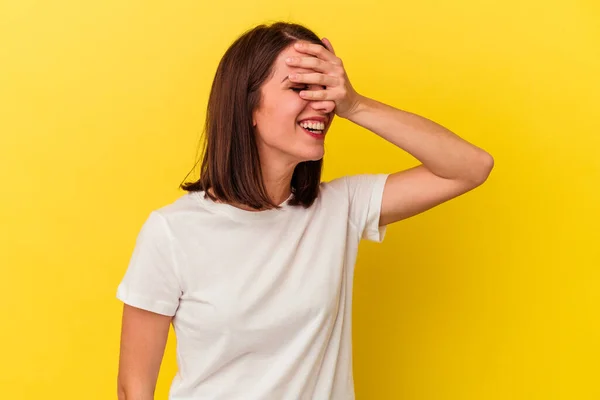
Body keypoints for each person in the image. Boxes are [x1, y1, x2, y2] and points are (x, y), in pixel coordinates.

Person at [116, 21, 493, 400]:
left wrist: (356, 105)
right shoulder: (172, 232)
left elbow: (471, 167)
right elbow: (134, 388)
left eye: (324, 89)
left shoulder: (340, 208)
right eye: (300, 88)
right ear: (248, 107)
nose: (324, 105)